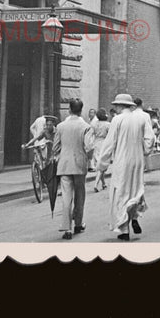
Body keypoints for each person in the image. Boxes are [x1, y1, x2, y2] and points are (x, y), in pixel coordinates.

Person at [97, 93, 155, 241]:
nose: (115, 108)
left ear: (121, 106)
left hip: (122, 161)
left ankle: (124, 230)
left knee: (121, 193)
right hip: (137, 160)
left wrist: (102, 164)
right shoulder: (141, 118)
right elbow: (150, 138)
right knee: (136, 190)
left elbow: (109, 144)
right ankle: (134, 216)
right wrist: (145, 151)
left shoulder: (117, 120)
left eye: (116, 105)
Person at [52, 98, 95, 240]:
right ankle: (78, 223)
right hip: (79, 164)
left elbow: (55, 147)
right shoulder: (86, 127)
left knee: (66, 196)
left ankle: (67, 228)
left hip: (64, 164)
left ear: (69, 109)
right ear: (81, 110)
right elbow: (89, 148)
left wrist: (61, 155)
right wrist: (88, 158)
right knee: (80, 194)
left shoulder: (60, 126)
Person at [93, 109, 111, 192]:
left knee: (99, 164)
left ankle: (103, 183)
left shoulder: (94, 124)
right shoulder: (108, 124)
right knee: (102, 165)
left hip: (96, 143)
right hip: (104, 143)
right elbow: (110, 135)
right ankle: (96, 184)